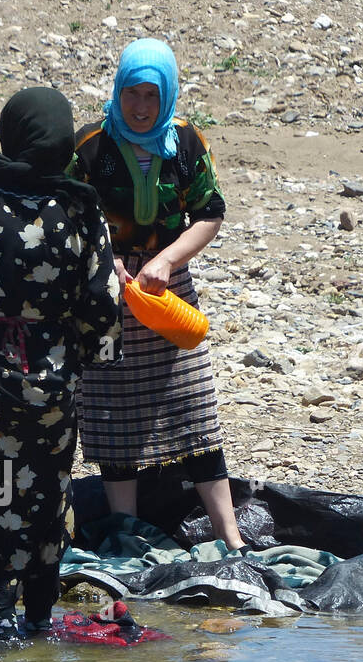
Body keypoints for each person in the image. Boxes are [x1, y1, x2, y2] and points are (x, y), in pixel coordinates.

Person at [0, 87, 122, 639]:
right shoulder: (81, 209)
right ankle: (38, 613)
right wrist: (90, 355)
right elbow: (103, 302)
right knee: (49, 494)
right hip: (53, 379)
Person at [74, 38, 246, 551]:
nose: (141, 107)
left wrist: (167, 260)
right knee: (110, 412)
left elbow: (210, 213)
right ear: (117, 90)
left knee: (193, 409)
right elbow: (67, 218)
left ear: (167, 93)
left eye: (152, 95)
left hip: (168, 292)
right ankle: (125, 534)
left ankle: (229, 535)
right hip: (105, 296)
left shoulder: (188, 142)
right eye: (132, 94)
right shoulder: (90, 147)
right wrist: (106, 263)